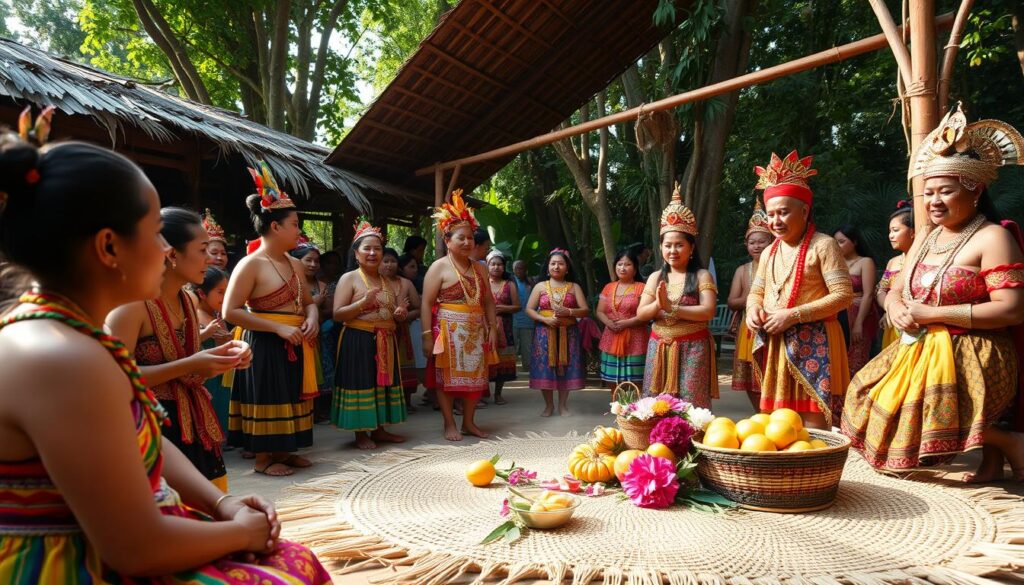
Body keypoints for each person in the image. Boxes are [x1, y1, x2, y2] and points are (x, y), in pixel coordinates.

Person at [0, 137, 330, 582]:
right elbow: (136, 548)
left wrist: (222, 504)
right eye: (156, 230)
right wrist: (241, 534)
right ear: (109, 247)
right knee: (290, 569)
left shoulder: (77, 336)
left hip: (127, 539)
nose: (165, 249)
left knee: (296, 559)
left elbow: (144, 437)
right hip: (67, 566)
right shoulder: (61, 359)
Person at [843, 105, 1024, 479]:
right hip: (919, 343)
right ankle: (996, 454)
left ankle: (1009, 444)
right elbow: (895, 287)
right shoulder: (926, 236)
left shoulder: (994, 237)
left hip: (977, 348)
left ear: (975, 190)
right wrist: (893, 306)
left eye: (946, 191)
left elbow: (1012, 310)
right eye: (928, 193)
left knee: (917, 405)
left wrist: (935, 315)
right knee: (865, 391)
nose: (934, 201)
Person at [108, 207, 249, 493]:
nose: (210, 259)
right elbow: (114, 379)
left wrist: (230, 356)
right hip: (151, 429)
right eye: (202, 250)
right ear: (172, 254)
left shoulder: (186, 300)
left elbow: (191, 364)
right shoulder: (131, 305)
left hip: (193, 424)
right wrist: (189, 366)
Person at [223, 162, 319, 477]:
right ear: (275, 226)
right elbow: (231, 311)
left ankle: (284, 452)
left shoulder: (295, 264)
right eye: (294, 224)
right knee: (268, 394)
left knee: (289, 394)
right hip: (264, 341)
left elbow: (307, 302)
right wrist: (277, 327)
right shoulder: (250, 264)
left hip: (295, 339)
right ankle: (264, 459)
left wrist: (314, 316)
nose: (299, 230)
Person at [746, 151, 853, 430]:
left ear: (804, 211)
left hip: (815, 340)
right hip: (777, 341)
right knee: (777, 426)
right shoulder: (769, 251)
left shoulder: (824, 245)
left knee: (812, 425)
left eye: (783, 212)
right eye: (770, 214)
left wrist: (793, 315)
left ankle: (815, 470)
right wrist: (752, 310)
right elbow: (756, 292)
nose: (776, 221)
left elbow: (843, 295)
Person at [422, 190, 497, 440]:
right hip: (446, 330)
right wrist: (425, 336)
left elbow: (488, 301)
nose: (467, 242)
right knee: (446, 381)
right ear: (447, 239)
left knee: (476, 378)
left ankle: (469, 422)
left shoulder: (480, 269)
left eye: (470, 238)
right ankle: (448, 423)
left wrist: (493, 328)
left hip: (476, 330)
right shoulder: (438, 267)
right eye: (461, 238)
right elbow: (426, 303)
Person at [635, 186, 718, 408]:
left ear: (691, 248)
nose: (673, 250)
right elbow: (642, 313)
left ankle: (692, 442)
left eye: (679, 245)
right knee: (655, 404)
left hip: (694, 348)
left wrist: (672, 307)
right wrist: (657, 305)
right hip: (659, 346)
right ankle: (658, 440)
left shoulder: (701, 275)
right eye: (667, 245)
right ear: (660, 247)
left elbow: (708, 311)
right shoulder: (655, 277)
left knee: (692, 403)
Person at [331, 225, 407, 449]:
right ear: (356, 254)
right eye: (367, 249)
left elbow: (387, 311)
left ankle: (379, 429)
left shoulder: (386, 280)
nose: (373, 253)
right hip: (358, 338)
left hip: (385, 339)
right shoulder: (350, 278)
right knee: (360, 383)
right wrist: (363, 302)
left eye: (377, 249)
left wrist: (398, 314)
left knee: (380, 385)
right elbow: (337, 314)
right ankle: (360, 434)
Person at [525, 249, 590, 416]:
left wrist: (568, 312)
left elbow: (584, 310)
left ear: (567, 268)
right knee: (545, 368)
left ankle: (562, 405)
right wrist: (545, 320)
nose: (556, 266)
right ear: (547, 267)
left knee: (566, 368)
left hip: (569, 334)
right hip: (544, 334)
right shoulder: (540, 286)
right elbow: (529, 309)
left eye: (560, 263)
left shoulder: (574, 287)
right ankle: (548, 405)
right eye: (553, 263)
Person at [727, 200, 774, 410]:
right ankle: (758, 412)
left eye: (762, 241)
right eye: (752, 242)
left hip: (772, 325)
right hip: (748, 327)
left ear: (771, 242)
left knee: (769, 370)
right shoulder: (742, 270)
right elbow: (731, 301)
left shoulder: (777, 265)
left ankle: (771, 411)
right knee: (748, 374)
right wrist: (750, 297)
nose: (756, 245)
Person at [595, 248, 648, 390]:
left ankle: (636, 409)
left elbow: (647, 314)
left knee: (636, 378)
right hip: (611, 336)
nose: (622, 268)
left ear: (635, 269)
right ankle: (616, 407)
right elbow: (599, 311)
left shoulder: (642, 288)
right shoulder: (608, 287)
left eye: (627, 264)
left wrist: (627, 323)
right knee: (613, 379)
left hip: (636, 338)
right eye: (619, 264)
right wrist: (608, 323)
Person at [290, 240, 331, 416]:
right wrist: (314, 302)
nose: (313, 264)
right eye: (308, 260)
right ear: (296, 261)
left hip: (318, 334)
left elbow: (329, 312)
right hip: (295, 334)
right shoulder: (289, 283)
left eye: (316, 261)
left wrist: (317, 309)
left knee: (320, 370)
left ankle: (319, 410)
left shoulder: (322, 286)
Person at [193, 266, 234, 435]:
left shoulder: (219, 315)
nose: (225, 297)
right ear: (202, 294)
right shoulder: (194, 314)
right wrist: (206, 333)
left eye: (227, 291)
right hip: (205, 376)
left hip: (221, 374)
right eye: (220, 292)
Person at [834, 224, 878, 374]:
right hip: (836, 314)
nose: (837, 246)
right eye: (835, 242)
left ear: (854, 242)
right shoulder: (834, 263)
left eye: (841, 241)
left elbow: (868, 294)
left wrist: (858, 323)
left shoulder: (865, 262)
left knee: (857, 357)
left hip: (858, 315)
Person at [383, 247, 422, 413]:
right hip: (380, 331)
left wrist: (405, 315)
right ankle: (385, 403)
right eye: (385, 261)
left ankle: (406, 402)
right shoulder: (371, 282)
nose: (389, 265)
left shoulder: (405, 283)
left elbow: (418, 308)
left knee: (404, 366)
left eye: (393, 261)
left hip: (402, 331)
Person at [876, 201, 914, 349]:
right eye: (890, 231)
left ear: (913, 231)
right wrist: (890, 309)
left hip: (912, 321)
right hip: (892, 322)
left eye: (895, 230)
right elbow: (881, 290)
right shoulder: (893, 262)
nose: (890, 236)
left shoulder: (926, 260)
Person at [487, 250, 520, 404]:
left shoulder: (509, 284)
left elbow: (517, 306)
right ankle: (482, 394)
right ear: (487, 266)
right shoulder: (483, 283)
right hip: (484, 327)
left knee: (502, 361)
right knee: (484, 359)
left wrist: (502, 308)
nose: (496, 267)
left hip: (505, 329)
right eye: (493, 264)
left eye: (499, 264)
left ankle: (498, 394)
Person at [399, 253, 428, 406]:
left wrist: (403, 316)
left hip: (413, 326)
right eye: (411, 267)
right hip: (401, 330)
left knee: (419, 362)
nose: (415, 270)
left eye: (416, 266)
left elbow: (419, 308)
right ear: (401, 268)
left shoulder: (413, 283)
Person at [512, 259, 536, 371]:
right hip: (513, 320)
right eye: (517, 268)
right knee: (512, 346)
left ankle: (528, 368)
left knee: (527, 347)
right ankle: (510, 368)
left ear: (526, 270)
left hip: (528, 321)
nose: (520, 271)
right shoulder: (510, 282)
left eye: (522, 268)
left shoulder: (531, 282)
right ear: (513, 270)